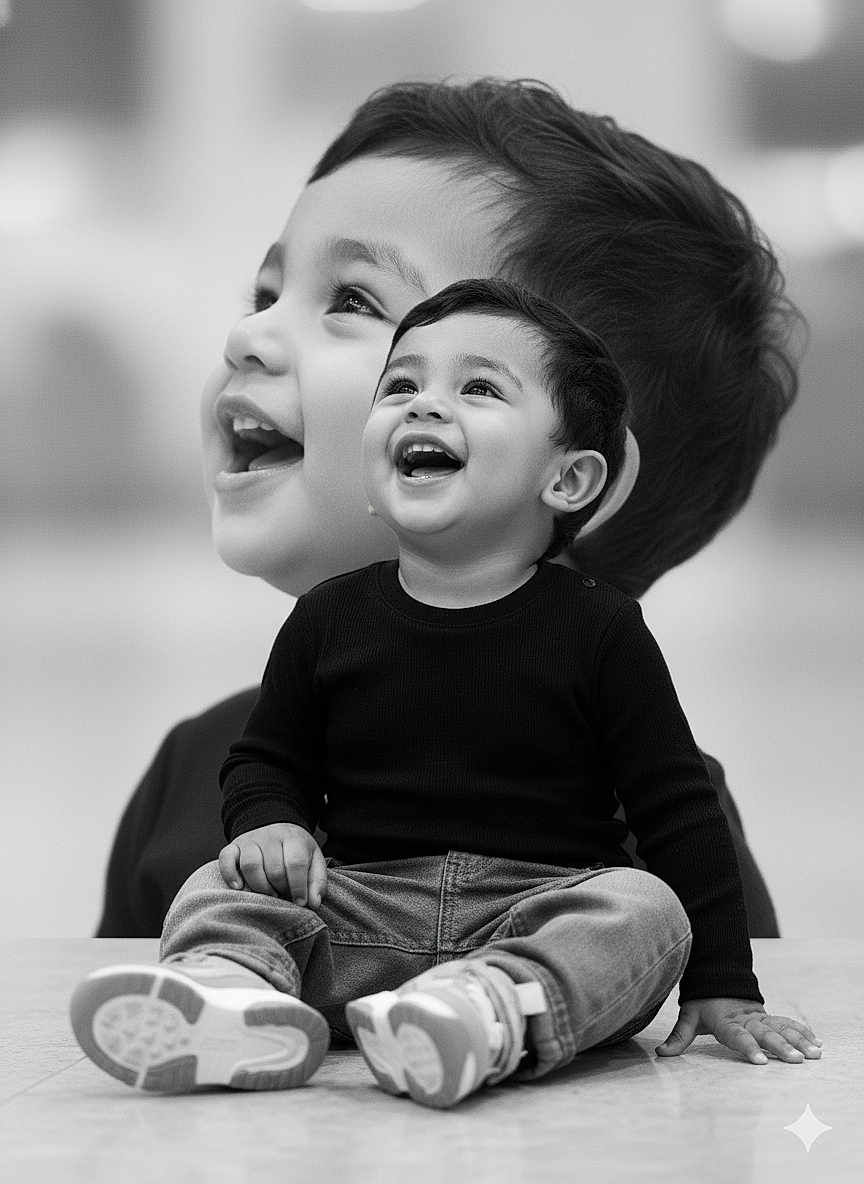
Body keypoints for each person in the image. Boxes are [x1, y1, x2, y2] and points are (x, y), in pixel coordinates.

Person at [71, 279, 821, 1106]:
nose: (422, 408)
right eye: (400, 386)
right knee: (219, 884)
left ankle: (488, 1013)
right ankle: (233, 1001)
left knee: (643, 911)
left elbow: (676, 809)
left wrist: (724, 980)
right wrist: (269, 822)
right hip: (361, 912)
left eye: (479, 388)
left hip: (531, 914)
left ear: (568, 480)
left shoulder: (599, 631)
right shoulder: (331, 618)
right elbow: (265, 758)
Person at [94, 77, 801, 940]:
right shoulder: (201, 767)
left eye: (354, 302)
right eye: (266, 295)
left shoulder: (649, 801)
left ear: (577, 476)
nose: (250, 334)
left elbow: (716, 1053)